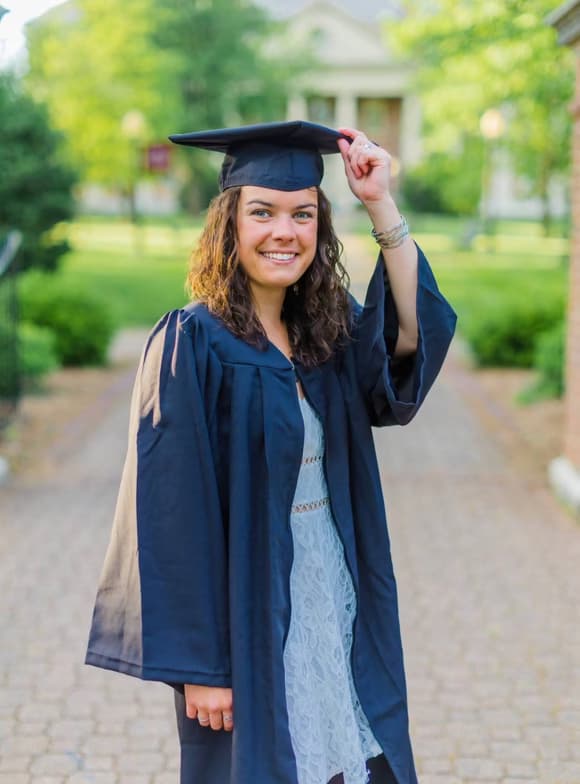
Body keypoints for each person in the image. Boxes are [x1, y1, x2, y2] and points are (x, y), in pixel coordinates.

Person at [85, 120, 457, 784]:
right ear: (229, 223)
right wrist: (202, 669)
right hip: (248, 603)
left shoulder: (326, 332)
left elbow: (408, 341)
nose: (284, 231)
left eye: (302, 214)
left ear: (320, 227)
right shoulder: (190, 343)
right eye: (263, 212)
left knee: (342, 757)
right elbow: (168, 515)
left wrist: (381, 204)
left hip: (333, 586)